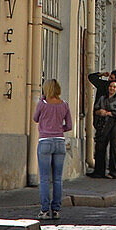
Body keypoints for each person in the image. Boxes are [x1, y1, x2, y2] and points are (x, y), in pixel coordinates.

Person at [33, 78, 72, 221]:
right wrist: (58, 129)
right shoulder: (65, 105)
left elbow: (35, 118)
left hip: (45, 141)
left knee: (44, 178)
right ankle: (56, 209)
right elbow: (69, 126)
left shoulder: (42, 104)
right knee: (57, 178)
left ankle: (44, 210)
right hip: (60, 142)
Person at [90, 76, 116, 179]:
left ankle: (114, 172)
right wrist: (100, 112)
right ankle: (99, 171)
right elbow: (96, 109)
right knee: (100, 145)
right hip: (104, 123)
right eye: (111, 86)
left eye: (114, 87)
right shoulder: (102, 98)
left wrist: (108, 112)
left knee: (115, 146)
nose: (112, 89)